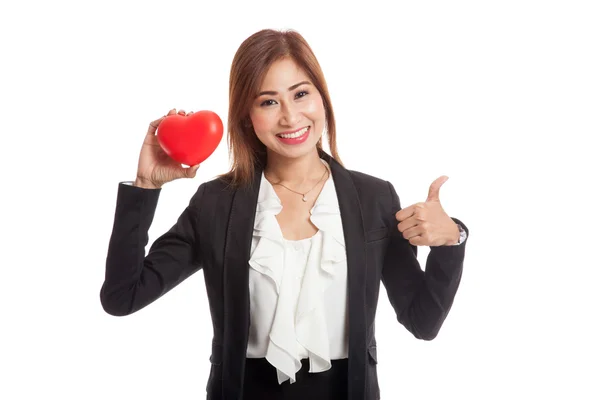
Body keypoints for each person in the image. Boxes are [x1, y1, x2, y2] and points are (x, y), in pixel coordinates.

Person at [100, 29, 469, 400]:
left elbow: (423, 322)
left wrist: (452, 238)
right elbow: (122, 297)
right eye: (268, 102)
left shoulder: (374, 198)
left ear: (322, 99)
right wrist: (145, 186)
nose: (291, 117)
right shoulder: (215, 203)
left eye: (301, 93)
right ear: (247, 116)